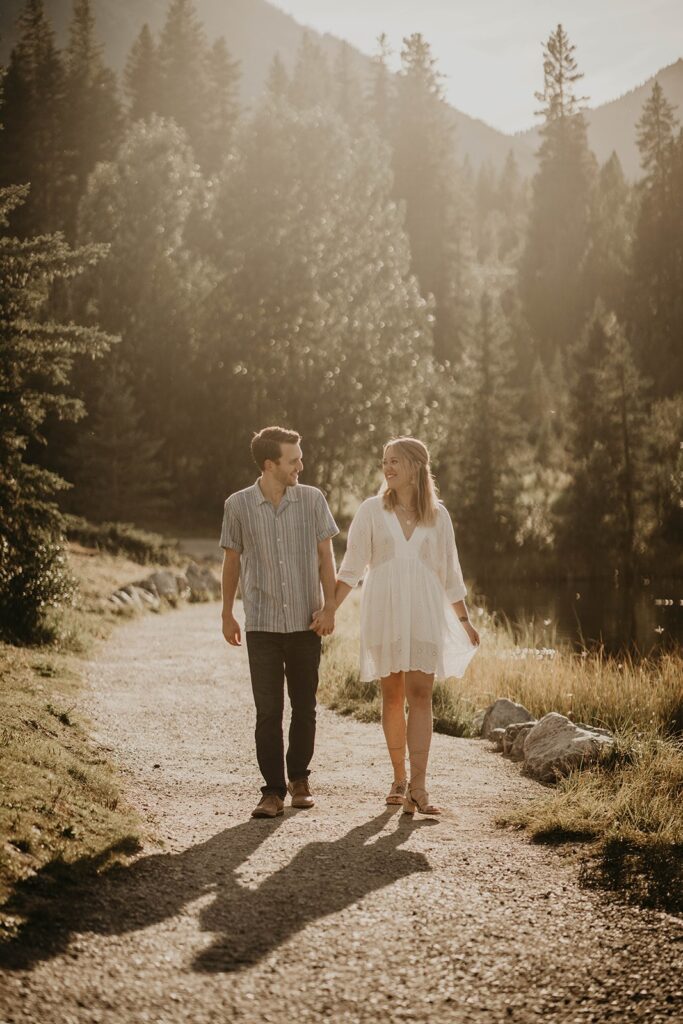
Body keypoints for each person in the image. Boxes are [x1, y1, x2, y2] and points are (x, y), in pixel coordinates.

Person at [321, 437, 479, 816]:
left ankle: (420, 787)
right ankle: (398, 779)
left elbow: (449, 573)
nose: (387, 468)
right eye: (385, 461)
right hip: (385, 610)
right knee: (392, 694)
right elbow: (352, 567)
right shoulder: (371, 511)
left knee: (421, 694)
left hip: (424, 611)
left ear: (415, 466)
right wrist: (331, 609)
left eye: (395, 461)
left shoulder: (439, 516)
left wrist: (464, 619)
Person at [221, 426, 338, 819]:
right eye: (293, 460)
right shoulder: (237, 506)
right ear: (270, 464)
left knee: (305, 706)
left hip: (307, 623)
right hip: (262, 624)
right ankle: (272, 791)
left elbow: (326, 556)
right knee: (268, 710)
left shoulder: (312, 500)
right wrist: (226, 612)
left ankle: (299, 779)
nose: (300, 466)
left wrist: (331, 607)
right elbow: (232, 561)